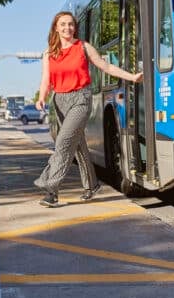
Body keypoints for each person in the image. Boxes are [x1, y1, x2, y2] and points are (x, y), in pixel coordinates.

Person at [34, 11, 143, 208]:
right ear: (56, 28)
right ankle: (92, 184)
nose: (67, 28)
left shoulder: (83, 47)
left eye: (70, 24)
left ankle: (51, 188)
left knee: (63, 142)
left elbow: (106, 67)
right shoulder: (48, 53)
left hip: (81, 99)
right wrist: (41, 98)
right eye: (63, 24)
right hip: (59, 100)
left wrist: (132, 77)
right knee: (77, 144)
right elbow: (45, 79)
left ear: (74, 27)